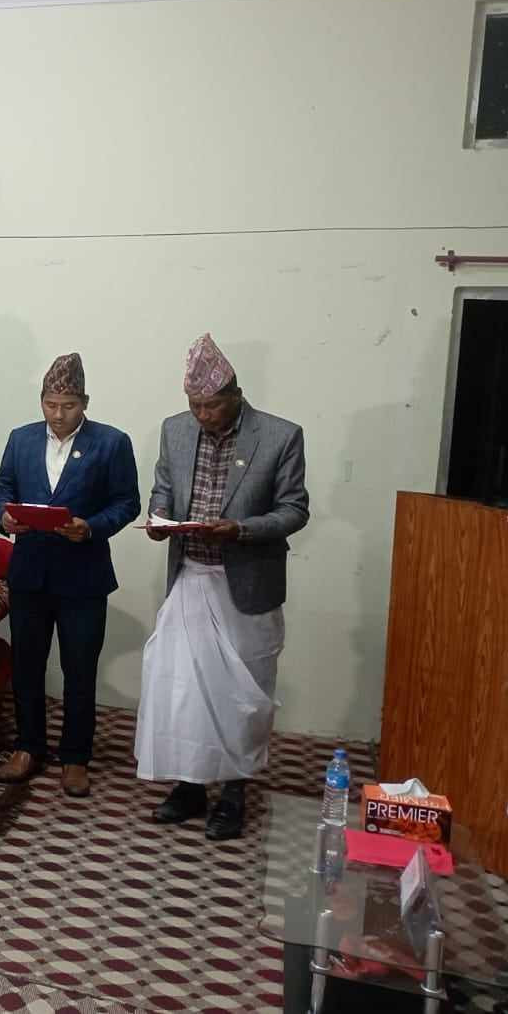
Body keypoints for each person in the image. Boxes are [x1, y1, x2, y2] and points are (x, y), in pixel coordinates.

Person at [135, 333, 309, 841]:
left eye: (211, 405)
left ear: (235, 395)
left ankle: (234, 793)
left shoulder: (279, 436)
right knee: (183, 690)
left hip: (245, 588)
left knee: (240, 696)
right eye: (194, 405)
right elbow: (163, 491)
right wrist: (160, 519)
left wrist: (242, 530)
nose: (202, 415)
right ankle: (189, 786)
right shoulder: (175, 430)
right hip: (190, 577)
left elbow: (295, 509)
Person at [0, 353, 140, 798]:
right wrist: (3, 516)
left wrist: (90, 527)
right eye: (51, 405)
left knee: (79, 669)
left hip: (83, 577)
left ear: (84, 403)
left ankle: (75, 757)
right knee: (27, 666)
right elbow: (2, 487)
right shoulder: (21, 439)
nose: (58, 414)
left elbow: (127, 502)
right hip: (30, 574)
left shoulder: (111, 443)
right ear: (41, 400)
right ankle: (27, 747)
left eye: (69, 406)